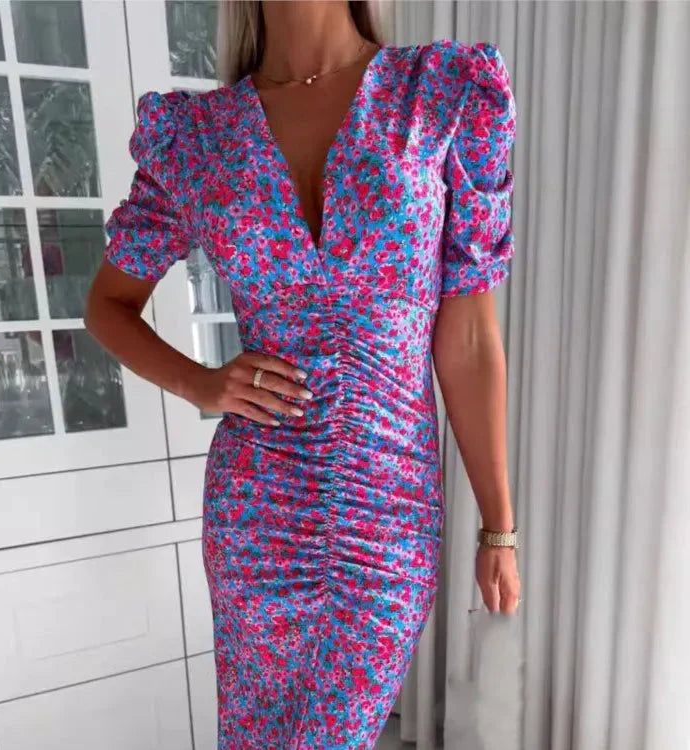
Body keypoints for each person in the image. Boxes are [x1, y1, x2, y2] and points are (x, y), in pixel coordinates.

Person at [85, 1, 521, 746]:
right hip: (256, 511)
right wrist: (203, 384)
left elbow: (471, 340)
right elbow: (107, 305)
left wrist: (498, 527)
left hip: (388, 516)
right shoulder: (198, 136)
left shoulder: (439, 95)